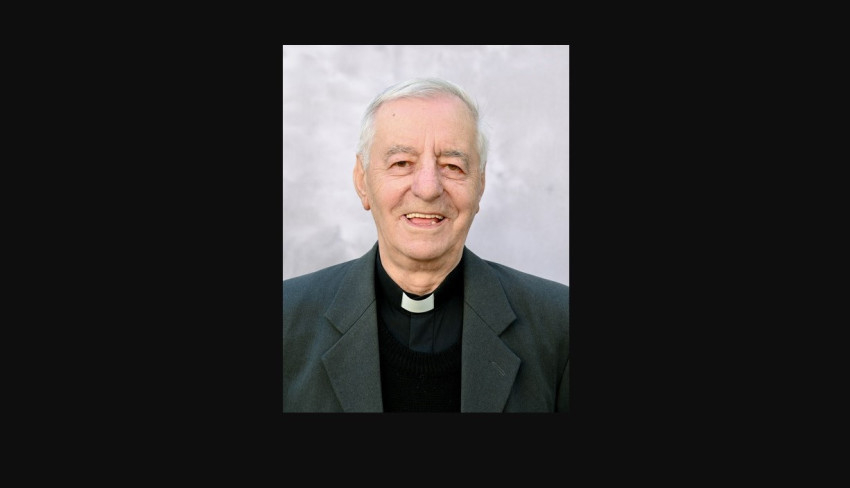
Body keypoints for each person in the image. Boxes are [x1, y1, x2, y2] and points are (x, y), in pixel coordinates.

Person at [282, 77, 569, 412]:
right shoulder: (287, 320)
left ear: (480, 185)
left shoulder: (559, 324)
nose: (429, 188)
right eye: (402, 163)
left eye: (452, 166)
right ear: (362, 181)